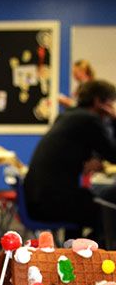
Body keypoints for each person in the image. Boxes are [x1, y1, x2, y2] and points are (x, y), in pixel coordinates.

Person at [25, 80, 116, 244]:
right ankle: (89, 258)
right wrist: (114, 118)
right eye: (111, 102)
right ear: (98, 101)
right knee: (109, 215)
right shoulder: (89, 120)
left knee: (93, 200)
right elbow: (113, 153)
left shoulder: (69, 115)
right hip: (51, 202)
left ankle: (73, 254)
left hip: (37, 198)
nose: (112, 106)